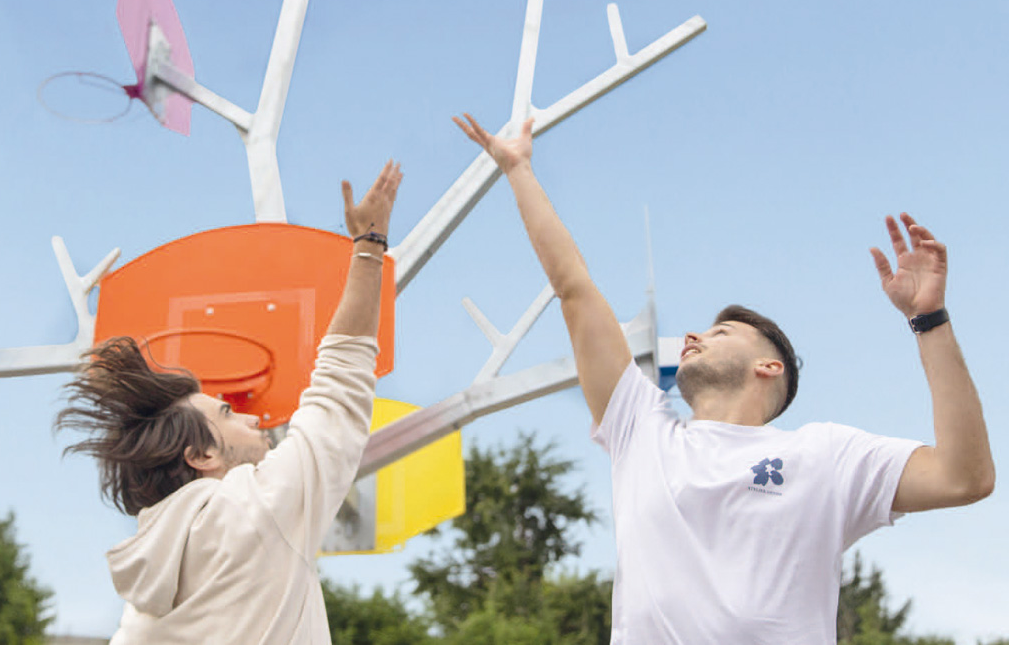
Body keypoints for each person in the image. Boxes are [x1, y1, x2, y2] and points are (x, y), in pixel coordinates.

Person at [455, 114, 995, 644]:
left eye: (722, 331)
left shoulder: (826, 456)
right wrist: (519, 170)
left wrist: (928, 320)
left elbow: (965, 477)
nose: (693, 336)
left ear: (769, 366)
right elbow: (573, 288)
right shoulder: (639, 430)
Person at [55, 161, 402, 645]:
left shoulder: (142, 597)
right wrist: (369, 245)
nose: (249, 412)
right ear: (201, 456)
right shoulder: (258, 507)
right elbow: (341, 377)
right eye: (225, 412)